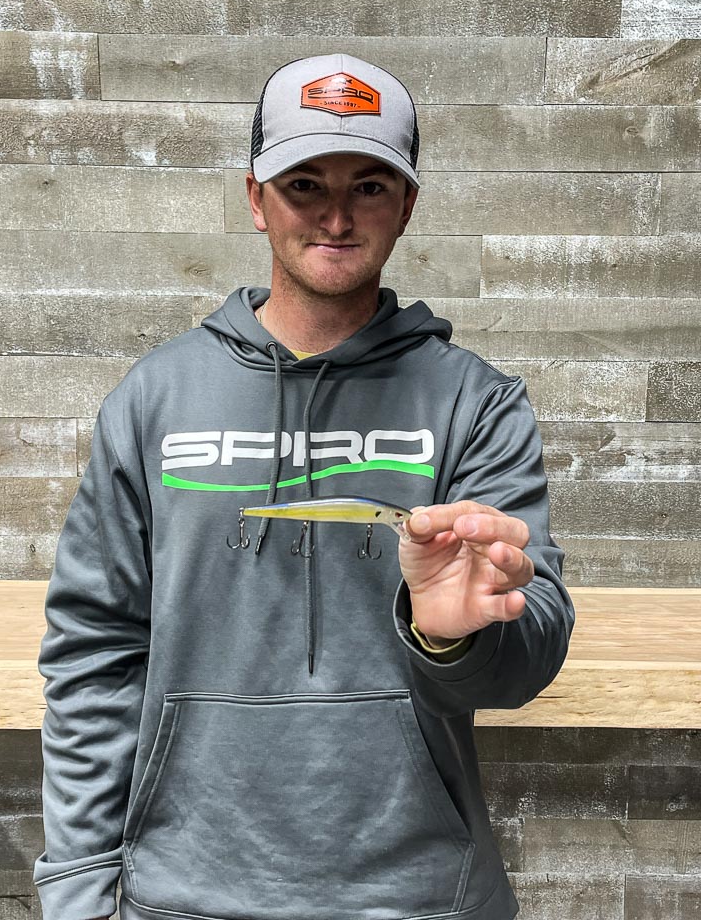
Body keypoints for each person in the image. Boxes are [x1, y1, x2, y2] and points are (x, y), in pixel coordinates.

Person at [33, 53, 574, 920]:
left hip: (419, 897)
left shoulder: (476, 403)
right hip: (182, 893)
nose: (336, 215)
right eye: (304, 184)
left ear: (407, 205)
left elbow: (525, 655)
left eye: (369, 186)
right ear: (256, 198)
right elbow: (96, 650)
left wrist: (452, 639)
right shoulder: (154, 398)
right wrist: (77, 886)